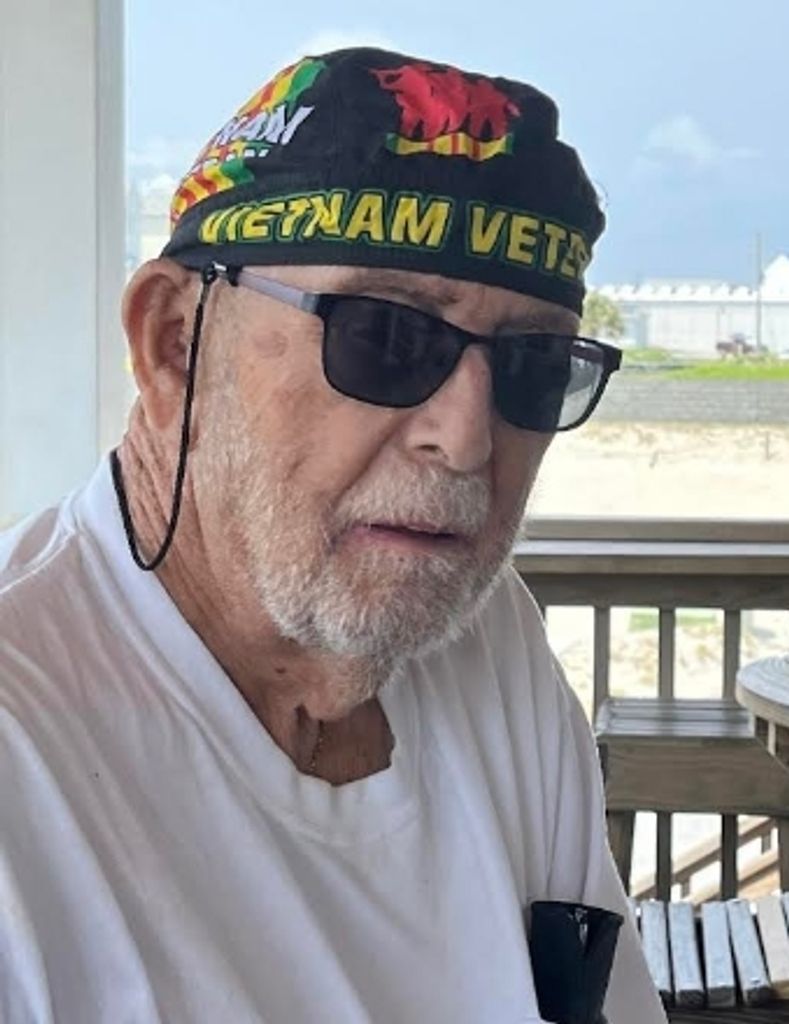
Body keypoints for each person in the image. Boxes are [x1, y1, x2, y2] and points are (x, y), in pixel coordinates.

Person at [0, 48, 666, 1023]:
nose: (466, 438)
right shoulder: (24, 748)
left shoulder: (488, 640)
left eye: (534, 364)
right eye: (383, 335)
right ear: (175, 341)